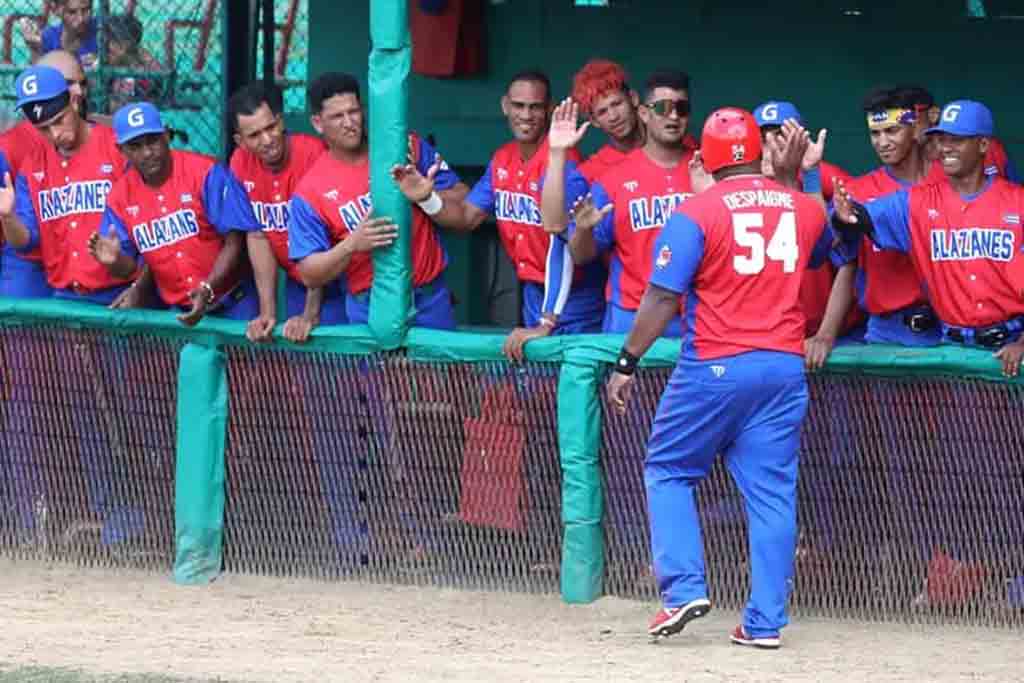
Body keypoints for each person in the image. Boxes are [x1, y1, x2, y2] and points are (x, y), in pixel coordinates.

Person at [606, 109, 829, 648]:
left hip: (715, 364)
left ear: (702, 160)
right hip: (781, 366)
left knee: (668, 469)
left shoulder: (695, 210)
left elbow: (662, 296)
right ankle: (765, 624)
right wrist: (797, 179)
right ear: (760, 154)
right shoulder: (801, 206)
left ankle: (683, 589)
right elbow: (820, 248)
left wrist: (628, 360)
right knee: (772, 496)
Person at [391, 69, 605, 359]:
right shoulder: (503, 158)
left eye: (535, 107)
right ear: (505, 105)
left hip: (573, 298)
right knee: (540, 388)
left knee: (574, 386)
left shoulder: (562, 163)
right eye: (519, 106)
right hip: (536, 293)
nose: (526, 115)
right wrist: (428, 199)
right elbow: (467, 216)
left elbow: (562, 245)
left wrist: (547, 321)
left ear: (550, 109)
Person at [832, 100, 1024, 374]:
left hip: (1010, 346)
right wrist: (844, 215)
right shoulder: (915, 203)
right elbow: (861, 218)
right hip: (950, 349)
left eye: (957, 140)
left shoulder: (1018, 203)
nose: (946, 148)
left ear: (983, 145)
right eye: (941, 139)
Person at [290, 72, 463, 330]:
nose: (350, 123)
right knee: (382, 373)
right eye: (338, 116)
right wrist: (351, 245)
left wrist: (428, 198)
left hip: (429, 296)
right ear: (317, 122)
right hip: (369, 305)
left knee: (441, 371)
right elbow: (309, 272)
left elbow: (463, 197)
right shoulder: (310, 191)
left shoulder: (406, 148)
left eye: (354, 111)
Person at [88, 102, 264, 325]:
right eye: (135, 146)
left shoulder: (204, 172)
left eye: (153, 140)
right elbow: (130, 269)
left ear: (167, 136)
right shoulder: (119, 197)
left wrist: (208, 288)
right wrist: (114, 262)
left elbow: (234, 241)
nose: (147, 152)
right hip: (178, 313)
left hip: (234, 303)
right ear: (121, 150)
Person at [557, 69, 699, 334]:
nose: (673, 115)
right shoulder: (612, 179)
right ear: (644, 112)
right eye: (662, 108)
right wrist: (585, 229)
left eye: (681, 108)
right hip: (631, 314)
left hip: (694, 314)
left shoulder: (706, 170)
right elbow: (580, 254)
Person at [0, 65, 134, 305]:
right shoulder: (33, 165)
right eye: (43, 129)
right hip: (65, 298)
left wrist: (140, 289)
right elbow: (25, 242)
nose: (55, 133)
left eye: (59, 120)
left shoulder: (118, 148)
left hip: (119, 294)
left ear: (73, 100)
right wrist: (8, 218)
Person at [228, 80, 345, 343]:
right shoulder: (239, 163)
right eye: (255, 135)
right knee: (304, 372)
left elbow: (326, 237)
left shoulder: (314, 154)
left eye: (271, 127)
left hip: (340, 275)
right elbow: (258, 236)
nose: (267, 140)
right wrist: (267, 312)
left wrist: (311, 313)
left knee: (345, 370)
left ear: (281, 121)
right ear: (240, 141)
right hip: (298, 280)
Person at [752, 100, 863, 367]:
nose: (771, 150)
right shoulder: (740, 194)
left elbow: (847, 263)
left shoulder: (823, 191)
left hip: (831, 337)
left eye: (781, 138)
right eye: (763, 141)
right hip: (766, 340)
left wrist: (825, 335)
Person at [831, 87, 944, 347]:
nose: (883, 142)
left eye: (892, 130)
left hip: (949, 330)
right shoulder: (857, 192)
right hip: (887, 332)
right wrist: (827, 334)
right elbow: (847, 265)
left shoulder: (950, 181)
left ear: (915, 130)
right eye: (875, 133)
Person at [104, 15, 164, 113]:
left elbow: (119, 108)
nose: (104, 49)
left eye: (110, 44)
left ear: (124, 46)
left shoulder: (136, 73)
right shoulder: (109, 63)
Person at [20, 0, 99, 68]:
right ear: (57, 10)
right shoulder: (48, 37)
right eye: (72, 12)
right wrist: (35, 49)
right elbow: (38, 79)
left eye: (86, 10)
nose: (81, 18)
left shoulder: (101, 31)